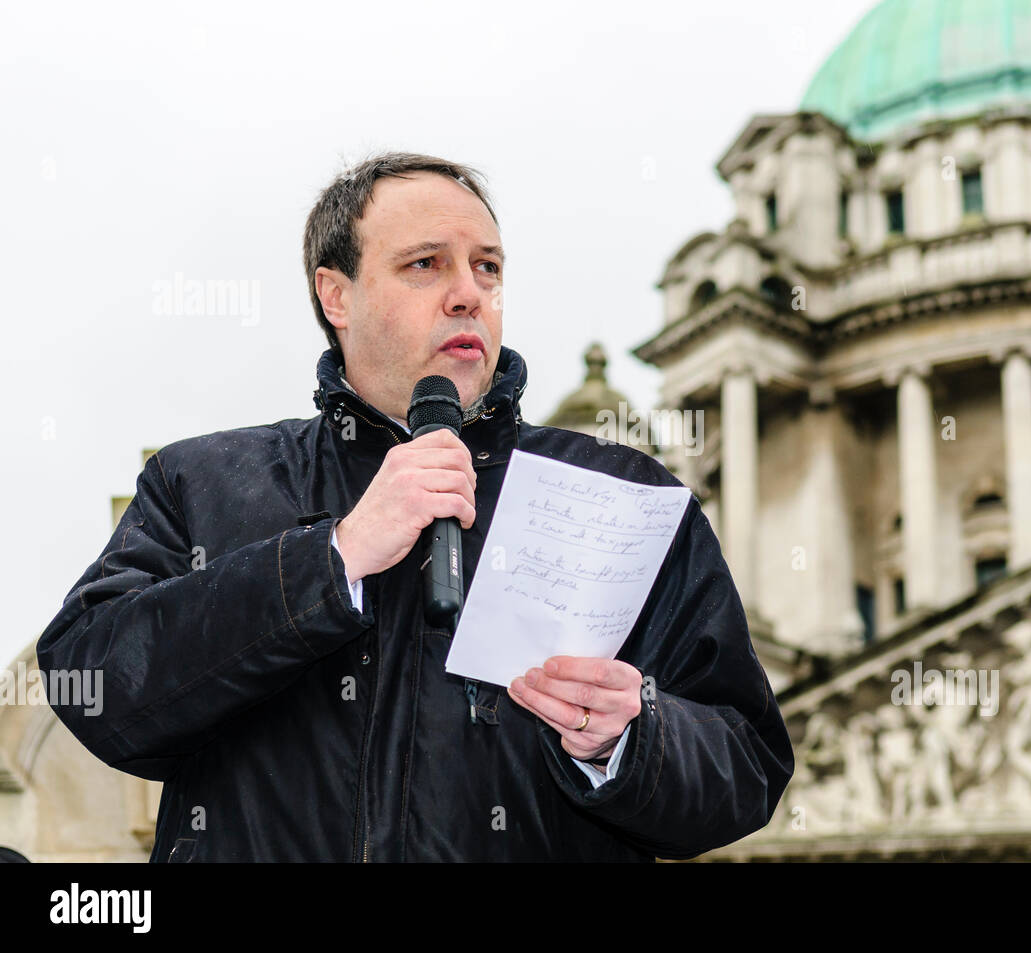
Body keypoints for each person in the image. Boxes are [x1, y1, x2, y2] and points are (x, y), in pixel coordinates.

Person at [37, 152, 793, 862]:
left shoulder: (624, 493)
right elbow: (93, 682)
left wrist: (633, 737)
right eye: (426, 264)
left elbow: (750, 762)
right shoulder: (202, 481)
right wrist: (329, 561)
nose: (469, 292)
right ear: (336, 295)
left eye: (486, 268)